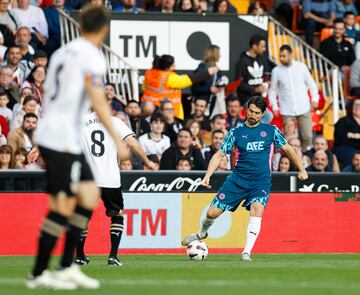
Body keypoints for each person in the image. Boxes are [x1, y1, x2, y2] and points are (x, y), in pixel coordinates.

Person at [26, 5, 128, 290]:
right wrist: (117, 140)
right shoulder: (92, 57)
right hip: (61, 138)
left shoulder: (62, 52)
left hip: (58, 135)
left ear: (80, 24)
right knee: (62, 206)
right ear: (105, 29)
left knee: (87, 194)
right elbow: (98, 100)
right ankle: (45, 272)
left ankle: (64, 266)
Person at [182, 96, 308, 261]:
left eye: (257, 113)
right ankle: (201, 233)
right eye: (250, 111)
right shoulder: (236, 132)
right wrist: (207, 176)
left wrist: (301, 169)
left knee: (257, 209)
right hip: (237, 180)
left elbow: (289, 149)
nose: (253, 115)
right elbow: (220, 154)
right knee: (212, 213)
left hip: (260, 181)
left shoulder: (271, 131)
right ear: (246, 110)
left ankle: (246, 252)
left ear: (262, 114)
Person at [75, 107, 156, 266]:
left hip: (87, 178)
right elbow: (133, 143)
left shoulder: (80, 121)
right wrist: (147, 162)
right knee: (117, 214)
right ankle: (113, 256)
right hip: (109, 179)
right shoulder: (115, 122)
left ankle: (79, 256)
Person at [268, 45, 319, 149]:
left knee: (307, 136)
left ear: (291, 55)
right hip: (287, 110)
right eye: (280, 56)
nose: (281, 58)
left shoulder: (301, 67)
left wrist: (315, 99)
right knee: (289, 138)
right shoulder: (276, 71)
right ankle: (289, 160)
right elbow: (272, 90)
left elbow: (312, 84)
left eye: (284, 56)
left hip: (304, 107)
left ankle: (305, 159)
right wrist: (274, 106)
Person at [141, 54, 218, 120]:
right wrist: (209, 72)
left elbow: (143, 88)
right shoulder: (170, 78)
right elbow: (191, 79)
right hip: (169, 114)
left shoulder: (149, 73)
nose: (175, 66)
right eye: (173, 64)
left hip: (148, 110)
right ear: (168, 67)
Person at [191, 45, 224, 116]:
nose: (221, 56)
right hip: (202, 104)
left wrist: (220, 88)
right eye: (219, 53)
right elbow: (194, 88)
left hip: (214, 103)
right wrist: (209, 89)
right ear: (214, 55)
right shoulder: (202, 69)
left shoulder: (217, 69)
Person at [333, 98, 360, 166]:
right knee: (352, 155)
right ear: (351, 107)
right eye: (355, 104)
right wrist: (354, 136)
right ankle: (348, 176)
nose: (358, 107)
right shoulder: (343, 121)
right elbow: (340, 139)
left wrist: (352, 135)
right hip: (345, 149)